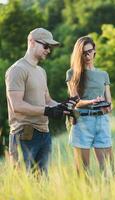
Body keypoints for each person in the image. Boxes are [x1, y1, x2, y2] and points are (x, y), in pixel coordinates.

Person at [5, 27, 77, 174]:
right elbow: (16, 106)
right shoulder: (17, 70)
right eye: (45, 46)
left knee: (42, 184)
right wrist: (47, 111)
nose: (48, 50)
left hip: (45, 133)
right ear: (31, 42)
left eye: (50, 47)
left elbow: (48, 100)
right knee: (24, 185)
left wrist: (64, 106)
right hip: (24, 134)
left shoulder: (41, 71)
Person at [66, 36, 112, 174]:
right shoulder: (72, 73)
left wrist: (107, 106)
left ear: (94, 51)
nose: (87, 56)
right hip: (82, 122)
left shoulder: (103, 74)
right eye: (83, 53)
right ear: (78, 54)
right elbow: (76, 102)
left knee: (108, 170)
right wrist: (92, 102)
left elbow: (109, 102)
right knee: (83, 171)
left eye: (89, 51)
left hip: (102, 121)